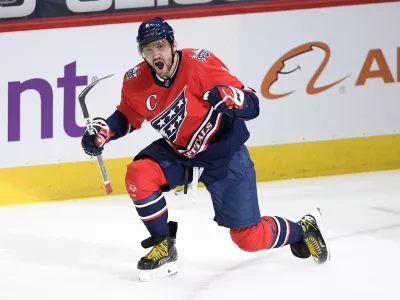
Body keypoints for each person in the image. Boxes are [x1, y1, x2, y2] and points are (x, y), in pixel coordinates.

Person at [81, 17, 330, 281]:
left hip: (224, 154)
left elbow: (252, 104)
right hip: (181, 153)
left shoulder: (200, 64)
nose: (156, 55)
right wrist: (104, 131)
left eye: (161, 46)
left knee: (248, 238)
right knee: (139, 174)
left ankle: (304, 229)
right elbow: (128, 114)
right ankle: (163, 245)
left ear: (173, 44)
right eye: (149, 50)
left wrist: (233, 99)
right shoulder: (135, 81)